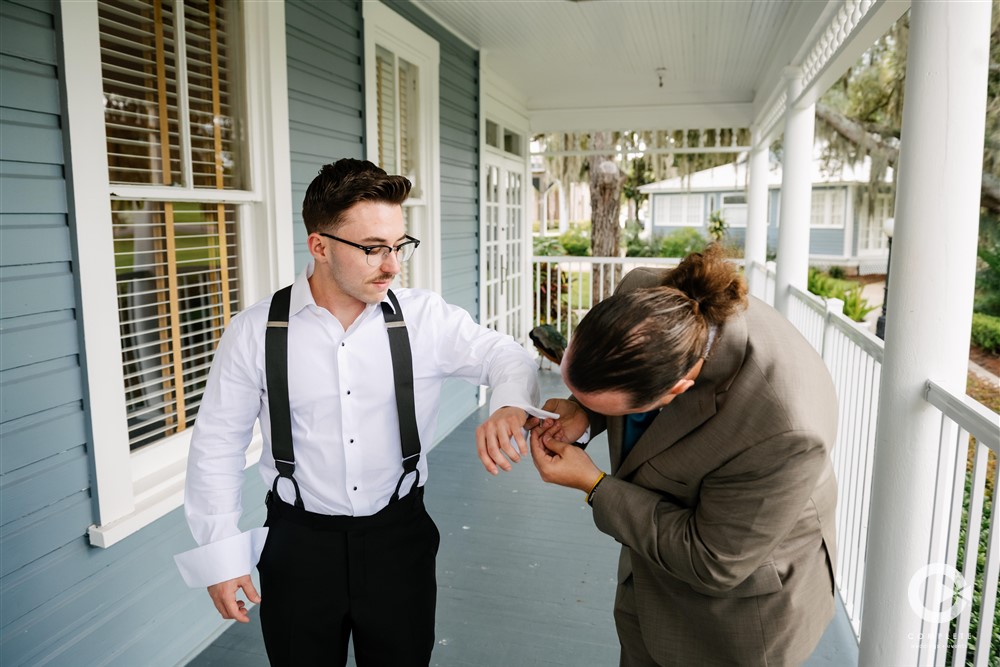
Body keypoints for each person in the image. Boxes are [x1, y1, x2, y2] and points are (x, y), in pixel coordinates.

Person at [175, 158, 540, 666]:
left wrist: (506, 406)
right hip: (296, 545)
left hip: (400, 540)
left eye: (398, 246)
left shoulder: (424, 318)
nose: (392, 265)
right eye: (372, 249)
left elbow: (508, 356)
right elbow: (216, 444)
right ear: (319, 246)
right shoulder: (254, 331)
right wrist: (221, 553)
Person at [529, 244, 838, 666]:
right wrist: (582, 411)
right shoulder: (641, 294)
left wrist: (594, 485)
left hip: (736, 616)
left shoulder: (784, 429)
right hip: (650, 575)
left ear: (673, 394)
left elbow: (712, 560)